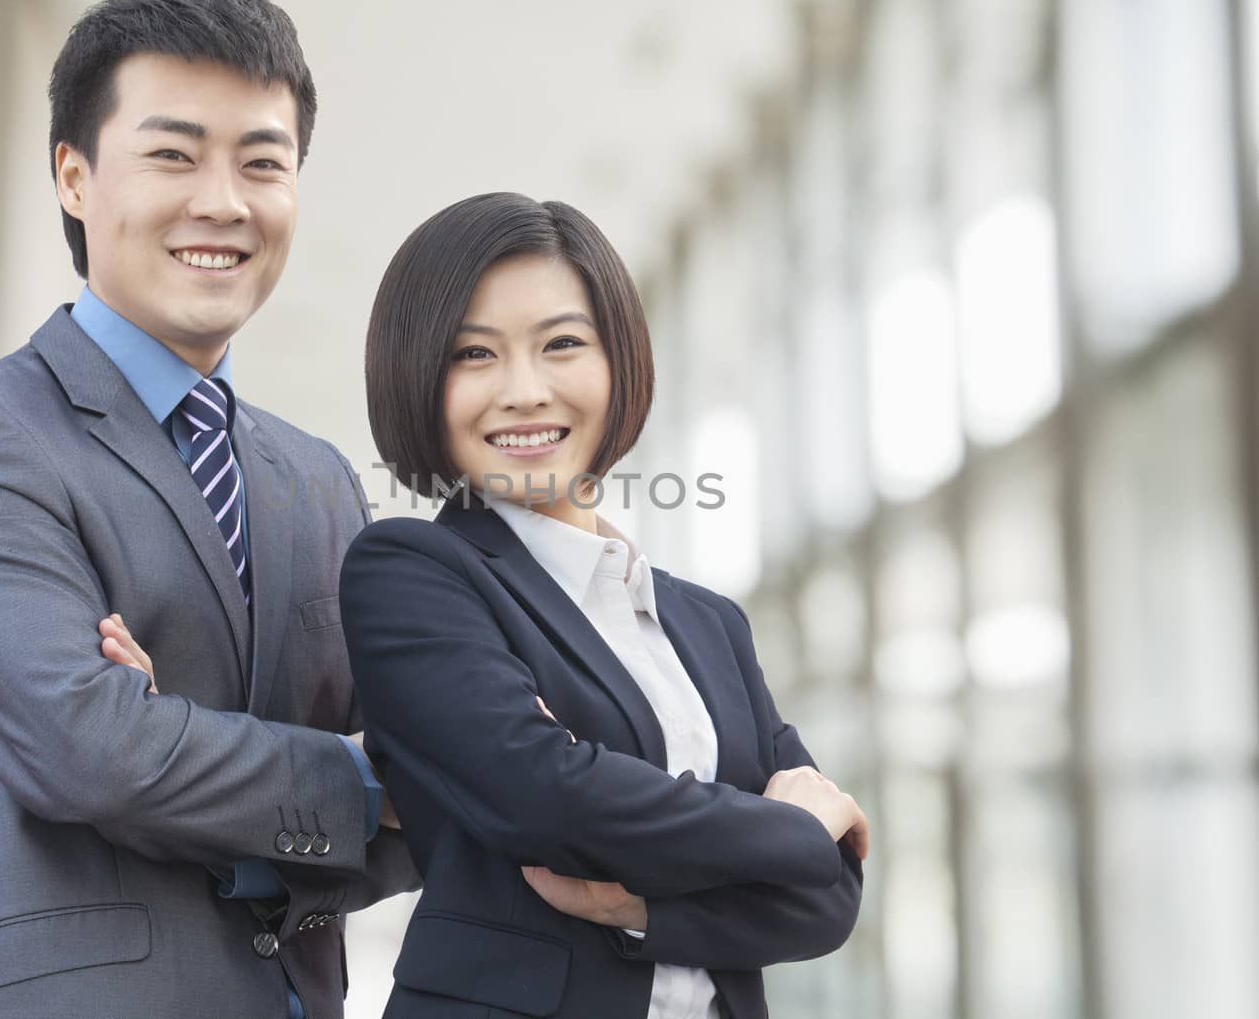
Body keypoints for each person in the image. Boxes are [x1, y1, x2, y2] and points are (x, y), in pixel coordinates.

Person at [0, 0, 415, 1019]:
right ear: (74, 177)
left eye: (263, 161)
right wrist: (354, 778)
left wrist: (176, 738)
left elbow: (427, 787)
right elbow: (92, 752)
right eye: (173, 154)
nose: (222, 200)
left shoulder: (317, 479)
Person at [337, 192, 866, 1018]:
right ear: (419, 379)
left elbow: (826, 900)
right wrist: (790, 828)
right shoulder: (414, 576)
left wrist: (643, 911)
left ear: (619, 361)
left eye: (562, 345)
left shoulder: (708, 624)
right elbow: (547, 799)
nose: (524, 391)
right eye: (474, 355)